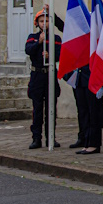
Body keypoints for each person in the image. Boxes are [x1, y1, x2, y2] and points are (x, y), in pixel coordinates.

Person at [25, 8, 62, 149]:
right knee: (37, 109)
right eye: (41, 21)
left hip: (50, 75)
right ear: (37, 23)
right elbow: (29, 50)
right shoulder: (32, 37)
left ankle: (50, 137)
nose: (44, 24)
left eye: (46, 21)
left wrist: (50, 55)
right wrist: (38, 43)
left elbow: (60, 55)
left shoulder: (56, 39)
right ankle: (36, 138)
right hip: (37, 76)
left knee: (51, 109)